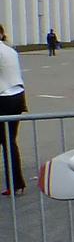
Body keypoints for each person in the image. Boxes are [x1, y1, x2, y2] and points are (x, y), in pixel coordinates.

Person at [0, 25, 26, 195]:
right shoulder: (10, 50)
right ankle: (16, 183)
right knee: (9, 141)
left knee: (8, 142)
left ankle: (15, 183)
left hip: (4, 98)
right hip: (17, 96)